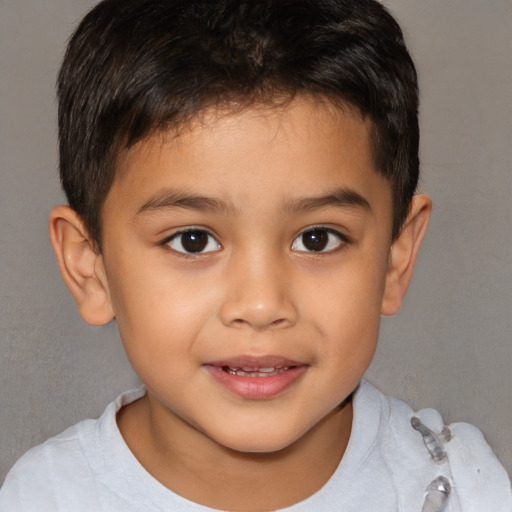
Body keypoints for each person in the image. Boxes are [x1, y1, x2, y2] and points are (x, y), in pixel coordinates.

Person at [1, 0, 510, 510]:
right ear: (90, 267)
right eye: (193, 240)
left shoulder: (468, 491)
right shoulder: (45, 497)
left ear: (396, 258)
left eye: (317, 239)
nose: (262, 305)